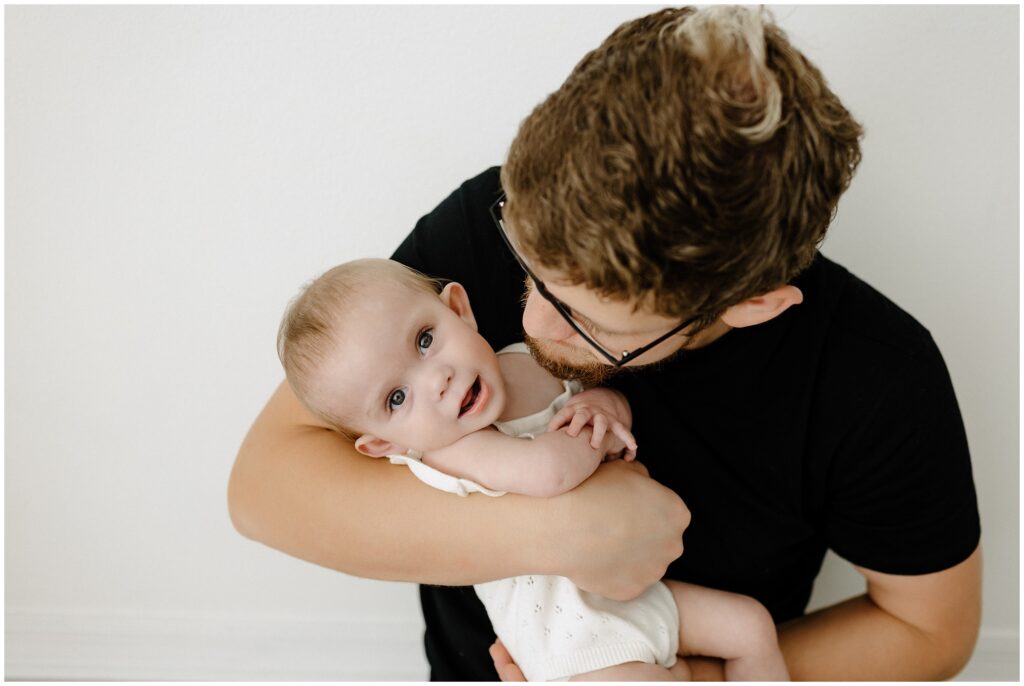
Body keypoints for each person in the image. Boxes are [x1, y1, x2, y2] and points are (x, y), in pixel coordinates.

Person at [229, 5, 982, 680]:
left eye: (592, 324)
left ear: (754, 306)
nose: (528, 328)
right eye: (527, 272)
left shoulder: (878, 379)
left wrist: (693, 679)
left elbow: (929, 630)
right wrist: (554, 531)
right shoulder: (475, 233)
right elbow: (264, 490)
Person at [275, 257, 790, 682]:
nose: (436, 380)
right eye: (396, 397)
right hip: (573, 643)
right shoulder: (451, 451)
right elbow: (550, 474)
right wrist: (593, 430)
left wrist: (606, 408)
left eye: (425, 341)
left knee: (752, 628)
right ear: (384, 443)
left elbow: (603, 411)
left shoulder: (531, 357)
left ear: (458, 309)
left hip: (642, 600)